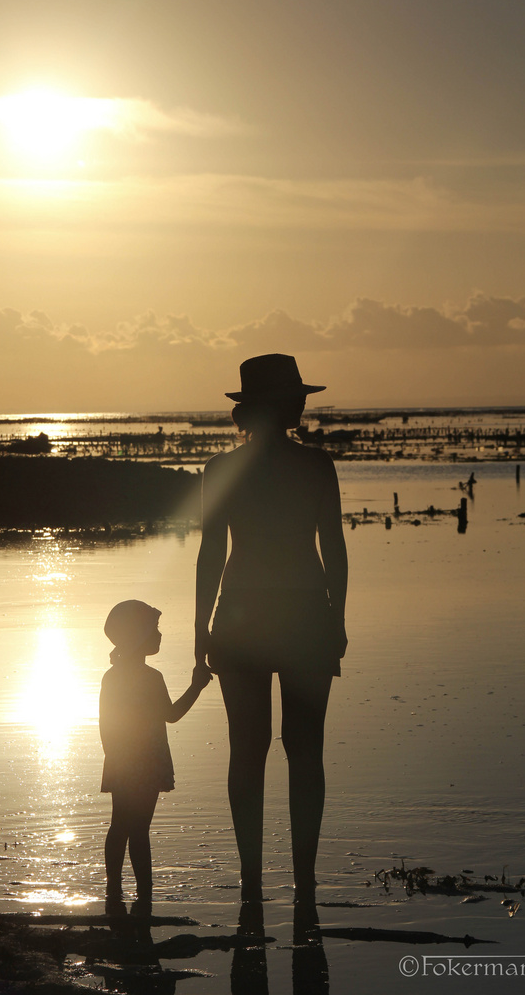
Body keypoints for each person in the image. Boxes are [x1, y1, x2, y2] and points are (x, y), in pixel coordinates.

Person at [195, 354, 348, 904]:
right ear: (283, 406)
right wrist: (339, 617)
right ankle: (303, 881)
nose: (304, 402)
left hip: (241, 616)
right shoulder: (316, 465)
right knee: (305, 751)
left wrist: (199, 629)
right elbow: (333, 547)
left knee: (248, 750)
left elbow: (211, 554)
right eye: (298, 395)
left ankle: (253, 881)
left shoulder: (221, 470)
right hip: (306, 614)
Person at [100, 599, 212, 916]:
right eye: (155, 629)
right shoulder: (151, 677)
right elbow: (172, 715)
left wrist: (115, 759)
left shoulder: (111, 677)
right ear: (139, 635)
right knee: (139, 830)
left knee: (120, 825)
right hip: (146, 764)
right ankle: (144, 899)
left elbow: (104, 727)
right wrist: (196, 686)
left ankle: (114, 892)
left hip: (121, 762)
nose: (160, 635)